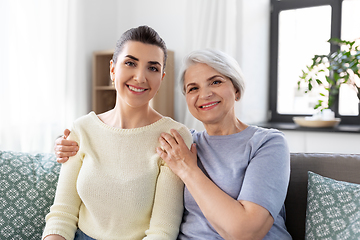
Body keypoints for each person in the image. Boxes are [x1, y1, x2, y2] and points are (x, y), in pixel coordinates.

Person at [55, 49, 292, 239]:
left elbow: (246, 232)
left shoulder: (267, 143)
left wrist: (188, 169)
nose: (205, 94)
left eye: (216, 82)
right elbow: (122, 147)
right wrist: (66, 144)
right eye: (193, 88)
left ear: (237, 89)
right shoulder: (180, 141)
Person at [43, 25, 193, 240]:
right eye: (130, 63)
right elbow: (61, 216)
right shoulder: (81, 130)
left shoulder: (174, 137)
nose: (140, 77)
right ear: (113, 69)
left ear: (161, 78)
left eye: (152, 68)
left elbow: (162, 231)